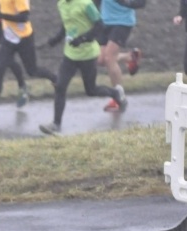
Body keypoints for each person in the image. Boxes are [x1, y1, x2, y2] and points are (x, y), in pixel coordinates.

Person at [39, 0, 128, 135]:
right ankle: (55, 124)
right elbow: (66, 26)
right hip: (70, 55)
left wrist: (83, 39)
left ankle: (116, 94)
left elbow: (100, 25)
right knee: (60, 86)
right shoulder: (61, 4)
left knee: (91, 90)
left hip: (88, 55)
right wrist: (52, 42)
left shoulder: (86, 4)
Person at [0, 0, 58, 123]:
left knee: (32, 70)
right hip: (8, 38)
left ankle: (56, 80)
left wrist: (1, 16)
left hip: (24, 38)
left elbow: (24, 17)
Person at [95, 0, 143, 112]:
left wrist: (126, 3)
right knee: (101, 59)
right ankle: (130, 57)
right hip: (104, 21)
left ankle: (118, 97)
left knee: (109, 58)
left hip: (122, 22)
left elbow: (142, 3)